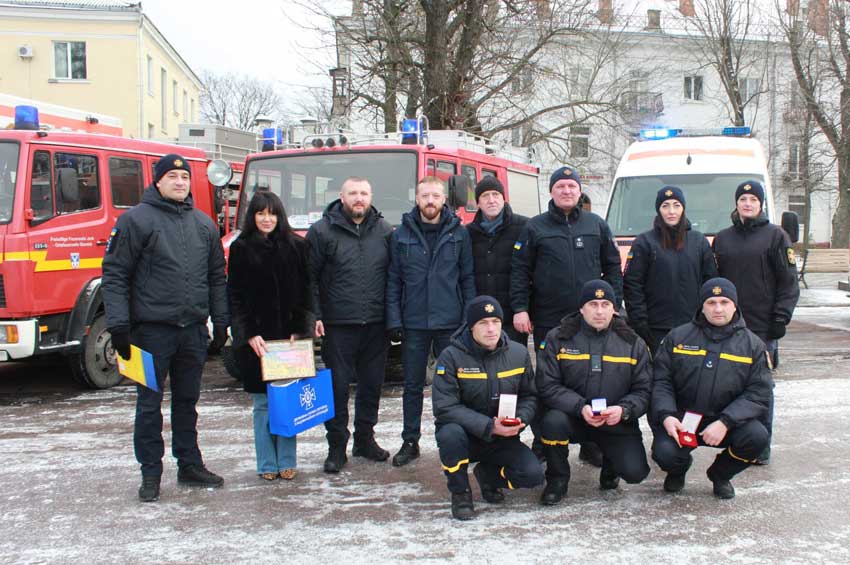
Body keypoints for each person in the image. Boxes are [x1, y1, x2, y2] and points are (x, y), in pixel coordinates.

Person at [102, 154, 229, 502]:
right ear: (157, 181)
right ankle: (150, 473)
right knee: (149, 404)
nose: (179, 182)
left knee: (187, 401)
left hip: (191, 331)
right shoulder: (135, 221)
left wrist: (221, 322)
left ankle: (189, 464)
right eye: (171, 176)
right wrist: (118, 325)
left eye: (184, 177)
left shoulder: (203, 224)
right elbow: (115, 275)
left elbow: (217, 278)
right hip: (150, 332)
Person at [511, 165, 622, 467]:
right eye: (560, 186)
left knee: (592, 377)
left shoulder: (596, 225)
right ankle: (545, 439)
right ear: (551, 191)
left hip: (591, 321)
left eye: (571, 186)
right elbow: (520, 271)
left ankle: (590, 440)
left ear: (579, 190)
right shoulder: (535, 228)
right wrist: (520, 308)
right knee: (548, 381)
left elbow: (613, 267)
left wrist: (614, 305)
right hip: (549, 319)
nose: (566, 191)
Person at [651, 278, 772, 499]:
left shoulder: (753, 346)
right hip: (684, 419)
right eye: (711, 302)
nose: (718, 308)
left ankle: (720, 475)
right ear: (701, 306)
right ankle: (678, 469)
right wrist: (666, 415)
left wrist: (726, 421)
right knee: (664, 453)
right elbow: (661, 381)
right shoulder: (677, 338)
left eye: (724, 302)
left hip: (725, 422)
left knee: (757, 437)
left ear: (735, 305)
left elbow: (758, 393)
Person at [386, 176, 476, 467]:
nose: (430, 201)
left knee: (457, 385)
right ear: (417, 199)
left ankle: (460, 438)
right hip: (414, 323)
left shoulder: (459, 234)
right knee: (412, 386)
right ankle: (410, 441)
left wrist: (469, 320)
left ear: (443, 199)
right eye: (425, 196)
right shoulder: (401, 235)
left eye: (435, 196)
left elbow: (467, 279)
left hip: (451, 323)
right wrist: (394, 319)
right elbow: (394, 281)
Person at [306, 177, 394, 473]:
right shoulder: (321, 231)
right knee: (337, 388)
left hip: (375, 323)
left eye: (364, 193)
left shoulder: (384, 231)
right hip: (337, 323)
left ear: (371, 197)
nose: (359, 198)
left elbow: (393, 277)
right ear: (341, 197)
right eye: (353, 193)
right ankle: (336, 446)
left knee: (371, 386)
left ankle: (365, 440)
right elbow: (310, 279)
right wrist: (315, 315)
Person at [536, 280, 651, 505]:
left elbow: (644, 390)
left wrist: (624, 410)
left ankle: (611, 467)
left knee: (635, 473)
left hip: (614, 419)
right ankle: (557, 479)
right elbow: (547, 385)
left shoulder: (632, 342)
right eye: (593, 304)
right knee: (552, 422)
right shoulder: (558, 338)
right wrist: (580, 407)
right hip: (573, 416)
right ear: (581, 308)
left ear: (614, 308)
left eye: (605, 304)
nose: (599, 311)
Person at [432, 296, 544, 520]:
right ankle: (460, 492)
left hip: (503, 437)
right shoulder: (451, 356)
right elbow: (445, 407)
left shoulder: (518, 353)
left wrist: (520, 419)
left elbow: (530, 396)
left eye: (495, 321)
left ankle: (487, 476)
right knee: (449, 435)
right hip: (466, 436)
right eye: (483, 323)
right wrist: (488, 426)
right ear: (471, 326)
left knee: (533, 475)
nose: (491, 329)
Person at [713, 179, 799, 463]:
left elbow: (789, 283)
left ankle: (760, 447)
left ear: (761, 204)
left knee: (761, 387)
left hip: (763, 326)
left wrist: (781, 317)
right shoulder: (723, 239)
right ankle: (736, 442)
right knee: (730, 383)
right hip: (729, 326)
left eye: (753, 200)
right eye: (742, 199)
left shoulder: (776, 236)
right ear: (736, 204)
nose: (747, 204)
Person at [228, 191, 311, 482]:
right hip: (259, 343)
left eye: (272, 213)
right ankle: (266, 464)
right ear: (252, 216)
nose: (267, 219)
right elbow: (235, 297)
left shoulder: (296, 247)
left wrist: (300, 328)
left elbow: (306, 291)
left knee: (286, 401)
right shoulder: (240, 248)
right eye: (261, 213)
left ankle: (287, 460)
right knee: (262, 405)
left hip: (288, 340)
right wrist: (248, 333)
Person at [623, 186, 717, 354]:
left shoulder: (698, 242)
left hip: (693, 327)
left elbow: (710, 283)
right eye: (665, 205)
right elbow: (632, 286)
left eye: (676, 205)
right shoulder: (644, 242)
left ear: (683, 208)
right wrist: (640, 323)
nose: (671, 211)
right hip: (656, 329)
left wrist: (705, 318)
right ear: (658, 210)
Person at [467, 176, 529, 345]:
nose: (491, 200)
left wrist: (522, 309)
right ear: (478, 203)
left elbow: (527, 272)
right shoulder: (468, 233)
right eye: (485, 196)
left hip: (512, 317)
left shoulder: (525, 227)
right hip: (480, 317)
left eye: (496, 194)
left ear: (504, 198)